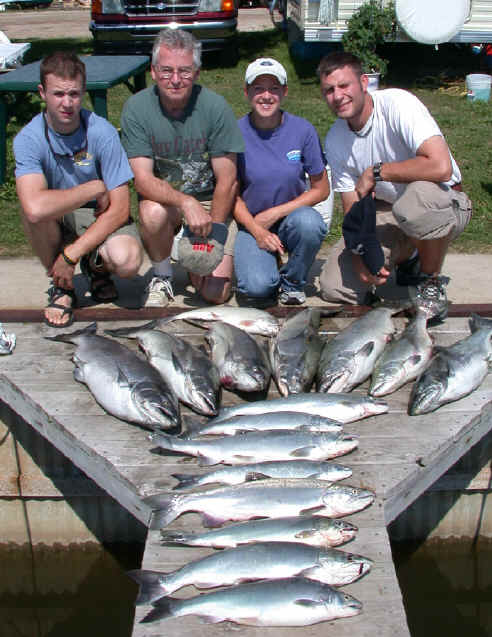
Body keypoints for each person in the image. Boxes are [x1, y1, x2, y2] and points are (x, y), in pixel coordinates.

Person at [317, 51, 472, 322]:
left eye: (344, 85)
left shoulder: (398, 104)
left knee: (413, 207)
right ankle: (411, 256)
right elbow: (353, 211)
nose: (338, 96)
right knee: (335, 287)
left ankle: (430, 281)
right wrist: (359, 256)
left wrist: (376, 172)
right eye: (329, 90)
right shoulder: (335, 139)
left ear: (363, 83)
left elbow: (441, 167)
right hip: (392, 212)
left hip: (444, 203)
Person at [14, 51, 143, 328]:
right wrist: (94, 187)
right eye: (58, 94)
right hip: (56, 216)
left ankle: (95, 269)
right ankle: (62, 287)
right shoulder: (28, 139)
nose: (67, 103)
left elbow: (121, 209)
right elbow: (34, 207)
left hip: (96, 215)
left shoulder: (102, 132)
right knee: (33, 215)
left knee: (128, 260)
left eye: (74, 94)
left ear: (83, 92)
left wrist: (71, 254)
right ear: (42, 93)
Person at [120, 29, 244, 307]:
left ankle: (191, 249)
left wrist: (211, 237)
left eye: (184, 71)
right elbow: (142, 180)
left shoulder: (216, 107)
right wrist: (186, 202)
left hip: (212, 203)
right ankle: (162, 275)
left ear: (197, 73)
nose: (175, 79)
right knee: (151, 212)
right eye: (166, 70)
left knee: (214, 294)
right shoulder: (136, 108)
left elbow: (228, 181)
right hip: (168, 203)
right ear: (153, 72)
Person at [234, 58, 329, 306]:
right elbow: (230, 194)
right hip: (251, 222)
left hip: (292, 219)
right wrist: (257, 230)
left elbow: (321, 189)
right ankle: (266, 265)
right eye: (258, 88)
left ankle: (292, 283)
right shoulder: (234, 133)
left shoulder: (303, 130)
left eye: (274, 88)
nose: (266, 96)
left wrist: (275, 213)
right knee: (257, 287)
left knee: (310, 224)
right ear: (246, 92)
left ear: (284, 92)